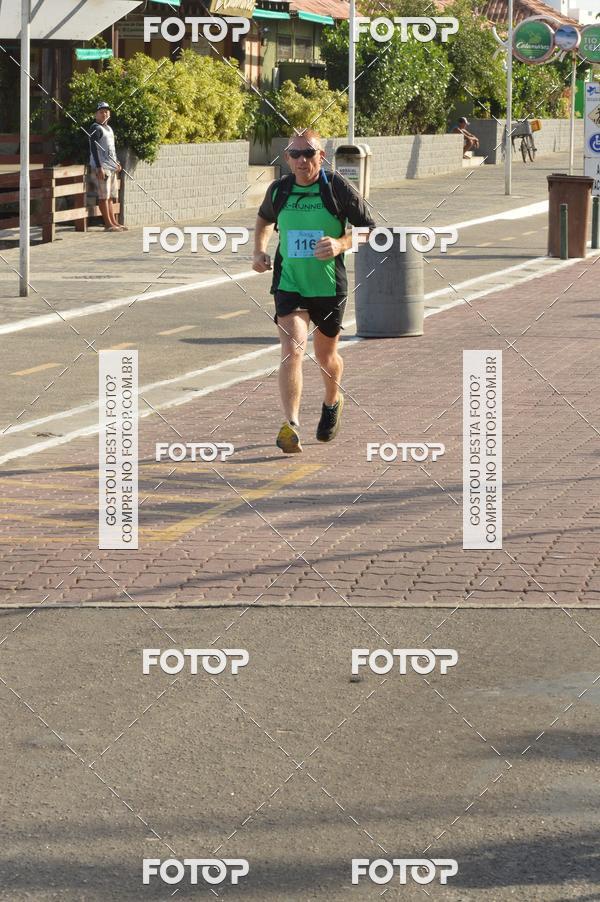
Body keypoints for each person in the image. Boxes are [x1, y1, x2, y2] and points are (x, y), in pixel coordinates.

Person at [253, 129, 375, 454]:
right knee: (292, 348)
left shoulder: (336, 188)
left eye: (309, 153)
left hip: (328, 285)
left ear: (321, 156)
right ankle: (291, 425)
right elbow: (264, 220)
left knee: (325, 357)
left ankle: (333, 400)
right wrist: (259, 250)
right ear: (287, 158)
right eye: (295, 154)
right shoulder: (279, 190)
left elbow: (369, 229)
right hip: (289, 282)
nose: (302, 160)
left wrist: (340, 243)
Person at [88, 102, 126, 232]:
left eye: (106, 111)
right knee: (103, 196)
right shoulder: (96, 128)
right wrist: (99, 167)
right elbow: (93, 148)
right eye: (101, 112)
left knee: (110, 196)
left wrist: (117, 162)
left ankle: (114, 222)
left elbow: (111, 149)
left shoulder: (109, 128)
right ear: (96, 114)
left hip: (111, 166)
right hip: (102, 167)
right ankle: (108, 224)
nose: (104, 114)